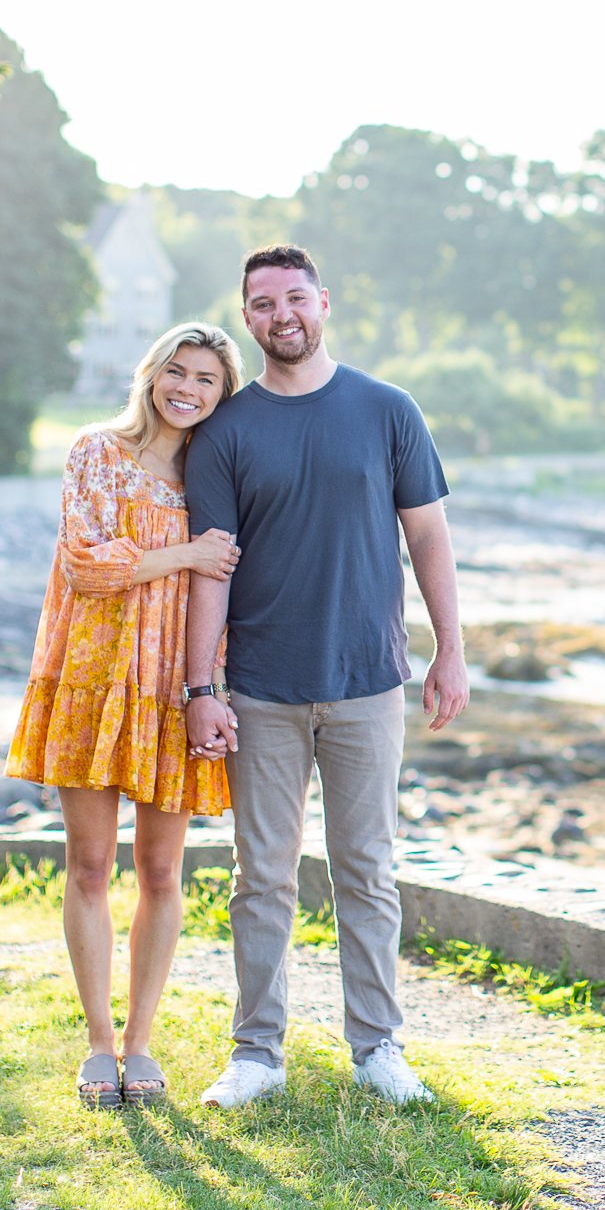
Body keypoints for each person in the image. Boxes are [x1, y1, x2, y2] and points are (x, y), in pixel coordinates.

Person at [181, 243, 468, 1110]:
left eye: (295, 298)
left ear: (324, 303)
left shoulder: (387, 409)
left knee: (368, 871)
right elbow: (210, 569)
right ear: (248, 318)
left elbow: (428, 538)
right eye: (263, 304)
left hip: (368, 681)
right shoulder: (225, 432)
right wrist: (201, 689)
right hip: (261, 688)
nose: (282, 316)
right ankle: (256, 1055)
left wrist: (449, 649)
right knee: (261, 875)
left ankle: (377, 1047)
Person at [4, 322, 245, 1109]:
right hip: (93, 680)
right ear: (152, 374)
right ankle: (97, 1045)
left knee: (163, 870)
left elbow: (234, 584)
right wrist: (185, 553)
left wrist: (214, 685)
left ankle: (141, 1042)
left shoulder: (218, 474)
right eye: (177, 371)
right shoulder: (97, 450)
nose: (188, 389)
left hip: (177, 687)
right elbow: (88, 563)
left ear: (223, 393)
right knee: (87, 863)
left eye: (206, 379)